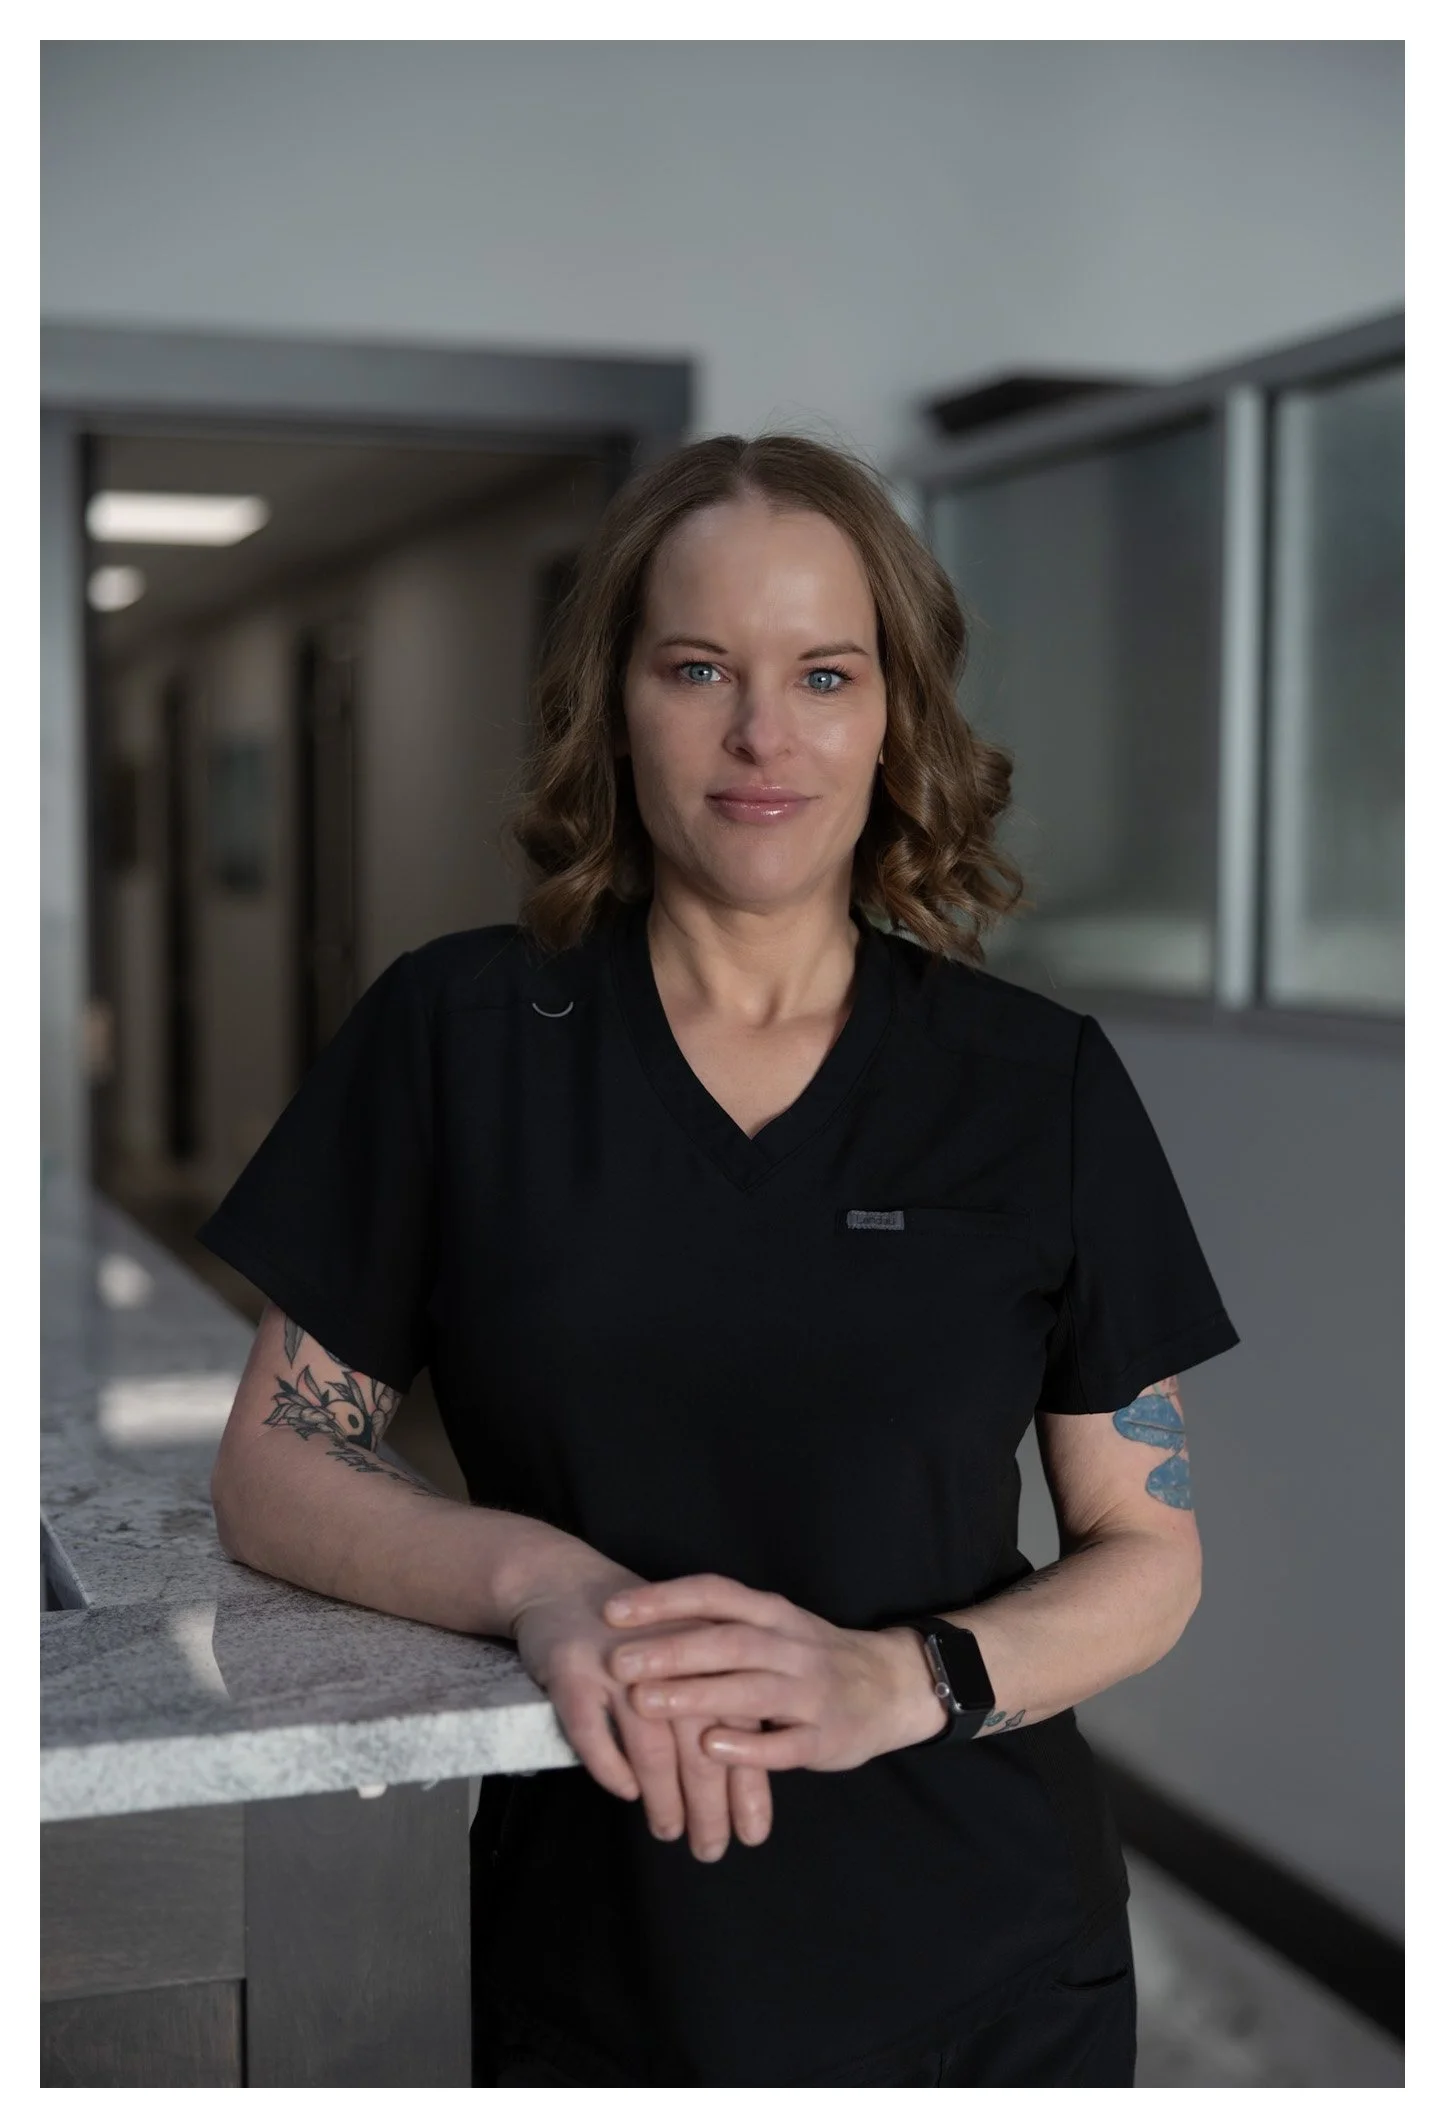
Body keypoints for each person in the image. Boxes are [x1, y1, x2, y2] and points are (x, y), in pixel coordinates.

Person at [200, 432, 1241, 2088]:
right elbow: (274, 1458)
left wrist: (903, 1678)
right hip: (594, 1959)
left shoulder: (1032, 1084)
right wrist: (544, 1584)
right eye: (700, 668)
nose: (764, 735)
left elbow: (1148, 1549)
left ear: (894, 708)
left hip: (986, 1975)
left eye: (823, 673)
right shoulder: (459, 1038)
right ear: (616, 700)